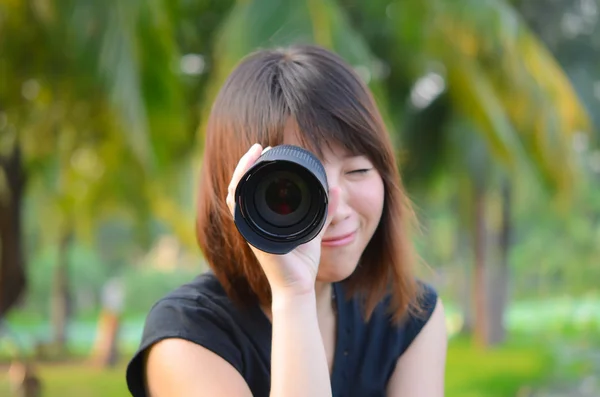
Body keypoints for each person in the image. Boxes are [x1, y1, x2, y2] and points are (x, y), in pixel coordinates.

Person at [125, 44, 447, 397]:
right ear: (240, 190)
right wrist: (293, 295)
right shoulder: (188, 338)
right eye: (295, 188)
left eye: (358, 170)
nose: (336, 210)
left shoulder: (407, 316)